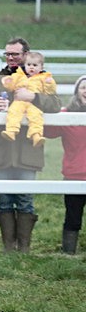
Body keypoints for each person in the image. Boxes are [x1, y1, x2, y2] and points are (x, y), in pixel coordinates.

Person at [0, 37, 61, 253]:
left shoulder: (42, 80)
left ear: (26, 54)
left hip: (28, 151)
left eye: (15, 54)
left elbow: (56, 105)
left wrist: (34, 97)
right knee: (4, 201)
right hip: (0, 151)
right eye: (7, 54)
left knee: (26, 200)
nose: (11, 58)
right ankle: (9, 248)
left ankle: (24, 248)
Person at [44, 75, 86, 254]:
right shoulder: (66, 114)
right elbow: (49, 131)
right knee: (73, 218)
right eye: (84, 87)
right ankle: (68, 254)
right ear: (77, 91)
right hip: (74, 174)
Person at [0, 51, 56, 147]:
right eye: (28, 64)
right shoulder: (18, 75)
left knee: (36, 116)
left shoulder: (43, 77)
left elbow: (49, 91)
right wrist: (8, 82)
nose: (31, 67)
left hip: (33, 103)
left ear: (41, 67)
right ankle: (11, 131)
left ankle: (36, 135)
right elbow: (11, 87)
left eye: (35, 65)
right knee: (13, 112)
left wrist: (49, 83)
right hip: (19, 101)